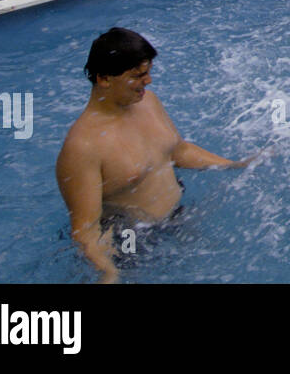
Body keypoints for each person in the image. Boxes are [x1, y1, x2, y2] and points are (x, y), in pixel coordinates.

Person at [55, 28, 253, 283]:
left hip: (178, 216)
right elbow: (85, 230)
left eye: (148, 72)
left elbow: (179, 151)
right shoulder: (83, 147)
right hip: (130, 242)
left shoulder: (147, 102)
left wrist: (236, 165)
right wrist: (108, 272)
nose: (148, 81)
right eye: (138, 76)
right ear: (104, 78)